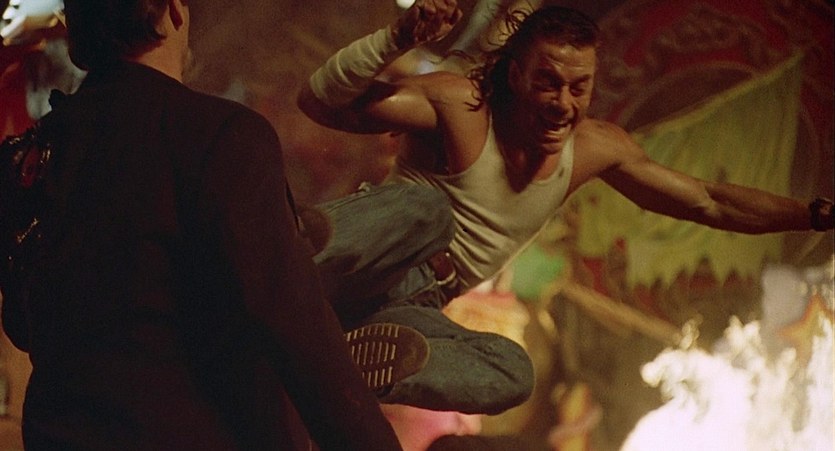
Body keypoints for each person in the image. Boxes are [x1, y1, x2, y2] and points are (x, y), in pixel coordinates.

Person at [296, 0, 834, 416]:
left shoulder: (595, 149)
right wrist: (396, 38)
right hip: (368, 256)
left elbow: (710, 202)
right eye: (548, 83)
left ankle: (354, 357)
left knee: (513, 370)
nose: (563, 104)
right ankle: (293, 251)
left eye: (579, 88)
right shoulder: (460, 106)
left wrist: (815, 214)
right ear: (515, 76)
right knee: (428, 212)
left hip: (415, 306)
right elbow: (319, 101)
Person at [0, 0, 411, 449]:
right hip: (191, 435)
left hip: (61, 436)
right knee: (410, 218)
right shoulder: (221, 134)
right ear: (174, 12)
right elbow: (297, 331)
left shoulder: (27, 158)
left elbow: (21, 323)